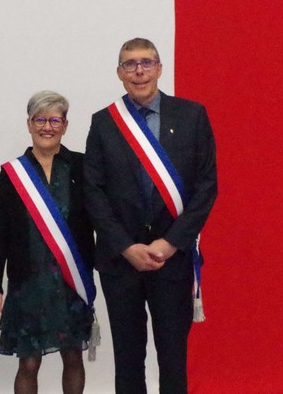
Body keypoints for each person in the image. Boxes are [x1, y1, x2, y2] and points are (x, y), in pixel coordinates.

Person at [83, 38, 217, 394]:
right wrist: (126, 247)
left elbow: (206, 187)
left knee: (173, 358)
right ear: (119, 73)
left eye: (146, 63)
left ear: (159, 68)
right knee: (128, 360)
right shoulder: (104, 122)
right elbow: (93, 192)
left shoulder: (191, 115)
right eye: (130, 64)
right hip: (120, 261)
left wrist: (170, 243)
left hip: (171, 260)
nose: (138, 71)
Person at [0, 91, 96, 394]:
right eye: (40, 120)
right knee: (29, 363)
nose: (47, 127)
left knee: (73, 357)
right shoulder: (13, 173)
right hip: (28, 284)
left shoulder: (81, 166)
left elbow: (98, 220)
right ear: (29, 124)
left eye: (54, 120)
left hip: (71, 282)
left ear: (65, 125)